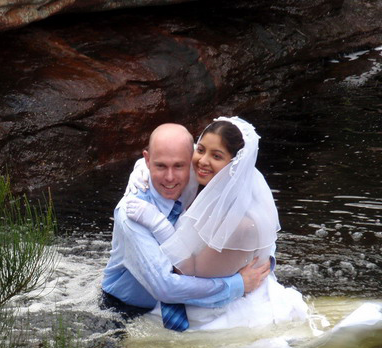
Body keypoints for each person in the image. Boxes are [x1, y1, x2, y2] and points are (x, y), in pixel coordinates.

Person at [124, 116, 308, 331]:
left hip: (219, 311)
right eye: (200, 150)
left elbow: (188, 271)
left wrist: (157, 224)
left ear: (234, 165)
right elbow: (166, 154)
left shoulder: (240, 223)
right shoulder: (207, 179)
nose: (202, 161)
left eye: (216, 156)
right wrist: (140, 170)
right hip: (195, 295)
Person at [101, 123, 270, 331]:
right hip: (128, 311)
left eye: (179, 166)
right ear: (148, 160)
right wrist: (238, 284)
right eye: (160, 166)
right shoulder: (133, 213)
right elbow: (166, 287)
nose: (170, 177)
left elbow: (260, 227)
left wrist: (266, 260)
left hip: (191, 306)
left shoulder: (203, 177)